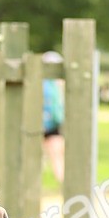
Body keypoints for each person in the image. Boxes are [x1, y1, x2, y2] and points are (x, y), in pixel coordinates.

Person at [42, 50, 65, 186]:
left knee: (55, 156)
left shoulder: (47, 83)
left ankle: (62, 183)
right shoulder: (56, 84)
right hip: (51, 124)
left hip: (48, 125)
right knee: (56, 157)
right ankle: (63, 184)